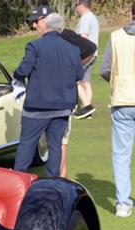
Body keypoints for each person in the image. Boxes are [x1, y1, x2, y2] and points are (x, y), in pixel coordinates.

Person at [13, 9, 83, 177]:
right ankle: (52, 182)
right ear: (61, 28)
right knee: (55, 145)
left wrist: (16, 75)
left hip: (37, 106)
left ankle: (18, 180)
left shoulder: (35, 46)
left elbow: (23, 70)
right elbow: (79, 75)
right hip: (62, 107)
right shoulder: (73, 49)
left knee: (27, 144)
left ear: (47, 26)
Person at [99, 2, 135, 217]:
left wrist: (117, 81)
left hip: (122, 99)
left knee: (121, 155)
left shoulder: (115, 36)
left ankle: (122, 203)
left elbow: (104, 69)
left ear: (131, 14)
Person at [56, 27, 97, 175]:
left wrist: (76, 64)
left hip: (63, 100)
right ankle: (86, 106)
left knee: (61, 141)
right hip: (63, 97)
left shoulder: (65, 34)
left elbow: (91, 47)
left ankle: (87, 105)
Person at [74, 0, 99, 119]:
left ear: (82, 5)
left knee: (75, 80)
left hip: (85, 55)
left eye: (77, 5)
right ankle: (88, 111)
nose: (76, 8)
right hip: (94, 54)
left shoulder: (85, 18)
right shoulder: (93, 17)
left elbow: (82, 38)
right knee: (86, 82)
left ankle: (86, 106)